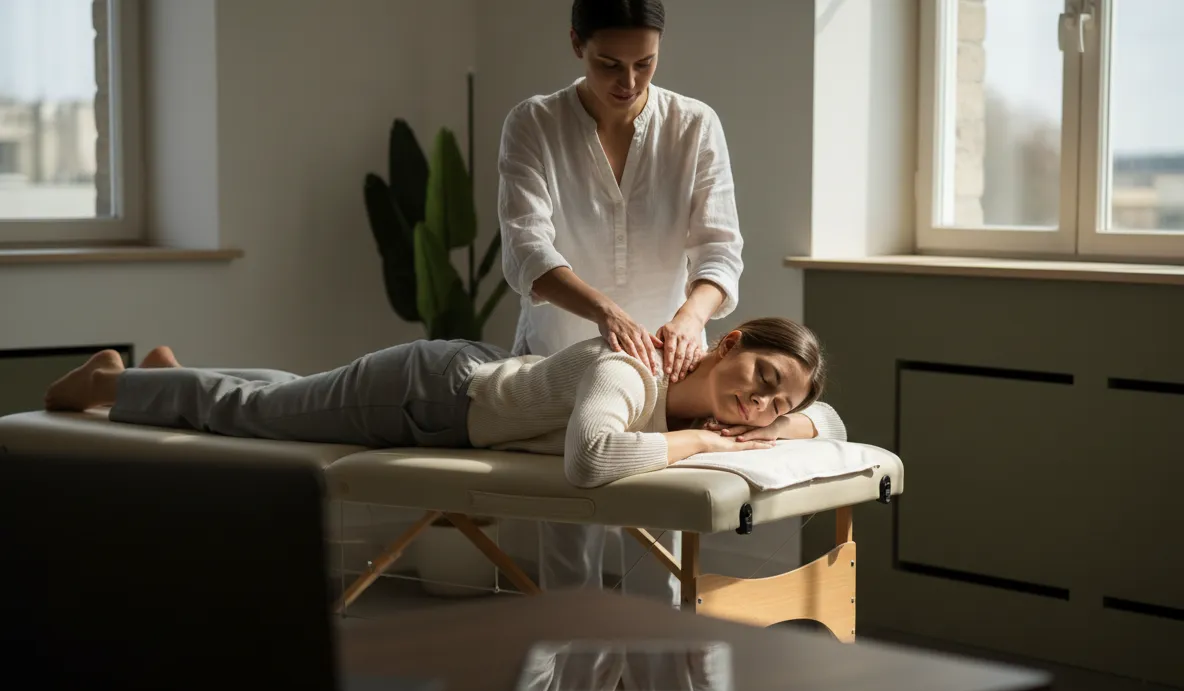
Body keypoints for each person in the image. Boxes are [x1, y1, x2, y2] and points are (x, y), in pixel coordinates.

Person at [498, 0, 747, 592]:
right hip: (558, 359)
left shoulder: (694, 125)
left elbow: (720, 249)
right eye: (610, 63)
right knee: (567, 547)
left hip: (666, 367)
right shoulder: (534, 122)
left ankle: (653, 676)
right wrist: (605, 311)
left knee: (658, 556)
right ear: (575, 44)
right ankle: (566, 678)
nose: (628, 81)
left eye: (645, 63)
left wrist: (691, 316)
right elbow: (527, 251)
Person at [43, 317, 845, 490]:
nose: (758, 406)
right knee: (258, 418)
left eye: (776, 409)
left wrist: (796, 421)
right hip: (424, 393)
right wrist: (701, 447)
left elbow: (835, 424)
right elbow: (593, 460)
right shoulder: (630, 373)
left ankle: (166, 371)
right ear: (731, 341)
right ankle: (106, 384)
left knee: (288, 399)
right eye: (765, 378)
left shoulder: (710, 404)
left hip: (462, 388)